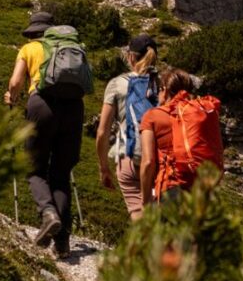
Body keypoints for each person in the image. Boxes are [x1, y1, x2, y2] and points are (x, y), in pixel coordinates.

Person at [4, 11, 87, 256]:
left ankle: (48, 213)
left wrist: (12, 97)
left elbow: (15, 82)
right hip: (74, 107)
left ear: (33, 32)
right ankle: (62, 244)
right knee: (61, 173)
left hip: (41, 105)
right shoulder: (71, 46)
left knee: (34, 168)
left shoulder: (28, 49)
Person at [95, 35, 159, 220]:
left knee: (139, 216)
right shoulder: (164, 84)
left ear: (131, 57)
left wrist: (103, 167)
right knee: (160, 217)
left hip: (130, 157)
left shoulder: (117, 84)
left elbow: (102, 132)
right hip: (158, 159)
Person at [139, 69, 222, 204]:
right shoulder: (199, 115)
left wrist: (144, 200)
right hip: (201, 193)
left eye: (159, 89)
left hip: (170, 189)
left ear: (165, 90)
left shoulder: (152, 116)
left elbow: (148, 162)